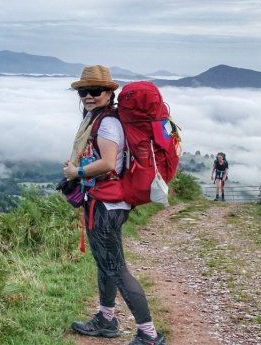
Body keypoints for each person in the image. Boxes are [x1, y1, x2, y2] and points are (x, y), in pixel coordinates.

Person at [62, 65, 166, 345]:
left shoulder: (107, 123)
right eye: (84, 91)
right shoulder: (100, 119)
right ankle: (106, 319)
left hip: (106, 206)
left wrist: (76, 172)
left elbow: (108, 163)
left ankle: (149, 335)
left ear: (109, 92)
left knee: (117, 269)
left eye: (95, 90)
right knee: (105, 264)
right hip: (107, 202)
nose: (88, 96)